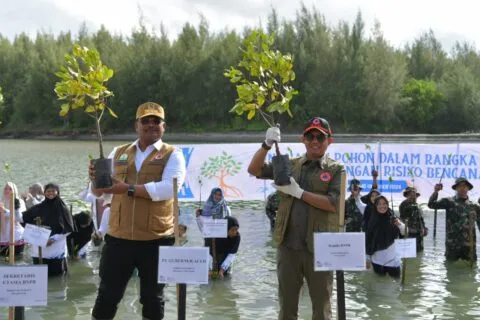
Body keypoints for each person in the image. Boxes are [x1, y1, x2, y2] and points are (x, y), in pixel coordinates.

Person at [88, 102, 186, 320]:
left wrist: (127, 188)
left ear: (164, 126)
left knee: (153, 299)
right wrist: (95, 180)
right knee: (107, 295)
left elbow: (169, 188)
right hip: (118, 238)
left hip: (156, 239)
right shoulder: (118, 152)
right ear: (136, 125)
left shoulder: (173, 154)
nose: (150, 125)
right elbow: (99, 194)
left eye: (156, 121)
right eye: (145, 121)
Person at [247, 117, 345, 320]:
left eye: (320, 136)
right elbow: (254, 169)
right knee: (287, 308)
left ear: (329, 141)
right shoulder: (289, 165)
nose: (315, 140)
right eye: (310, 136)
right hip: (288, 247)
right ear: (303, 139)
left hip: (320, 249)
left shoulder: (336, 169)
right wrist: (266, 145)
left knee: (322, 309)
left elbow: (333, 204)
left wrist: (299, 193)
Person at [22, 183, 75, 276]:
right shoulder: (38, 208)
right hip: (39, 249)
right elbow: (23, 219)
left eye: (53, 191)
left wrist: (53, 239)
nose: (51, 193)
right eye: (48, 191)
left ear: (57, 192)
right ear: (44, 192)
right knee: (39, 277)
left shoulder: (63, 208)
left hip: (56, 249)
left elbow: (69, 228)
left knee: (57, 278)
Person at [428, 177, 480, 262]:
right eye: (459, 186)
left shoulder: (474, 206)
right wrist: (436, 191)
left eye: (464, 186)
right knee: (451, 270)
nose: (462, 188)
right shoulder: (449, 202)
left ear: (468, 188)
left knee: (470, 271)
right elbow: (431, 205)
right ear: (456, 188)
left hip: (469, 246)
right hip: (452, 245)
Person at [365, 195, 406, 278]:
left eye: (384, 203)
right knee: (379, 285)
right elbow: (368, 240)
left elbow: (405, 233)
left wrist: (399, 224)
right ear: (375, 206)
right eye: (379, 204)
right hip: (377, 261)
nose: (382, 206)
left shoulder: (394, 219)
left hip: (393, 261)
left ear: (387, 205)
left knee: (396, 285)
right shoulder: (372, 221)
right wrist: (367, 259)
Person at [0, 182, 26, 256]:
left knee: (17, 257)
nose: (7, 190)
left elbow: (19, 218)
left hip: (16, 234)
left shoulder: (19, 201)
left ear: (14, 190)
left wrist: (4, 210)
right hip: (2, 234)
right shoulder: (1, 199)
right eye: (6, 188)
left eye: (10, 189)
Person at [399, 187, 427, 252]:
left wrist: (424, 228)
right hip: (409, 233)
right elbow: (403, 218)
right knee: (409, 253)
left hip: (419, 233)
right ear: (406, 196)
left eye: (414, 195)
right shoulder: (404, 204)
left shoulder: (417, 205)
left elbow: (421, 218)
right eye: (410, 195)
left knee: (419, 252)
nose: (413, 197)